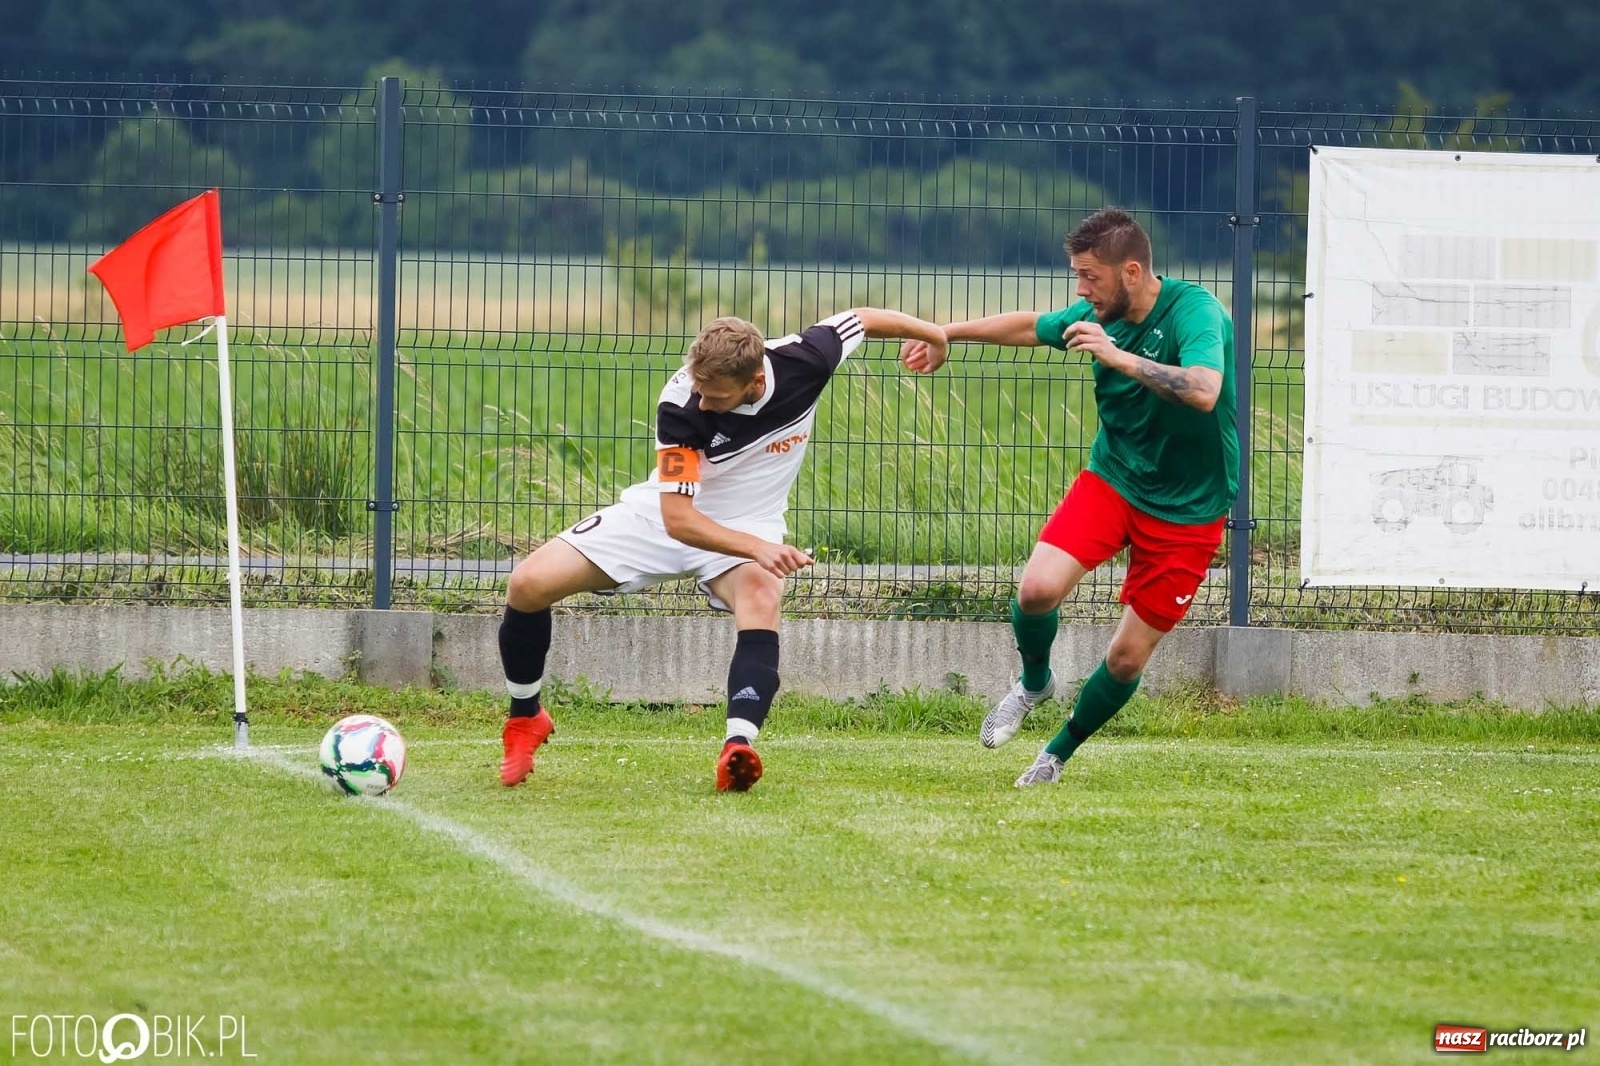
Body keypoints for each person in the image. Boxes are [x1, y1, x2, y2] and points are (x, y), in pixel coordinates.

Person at [498, 308, 949, 791]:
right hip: (665, 515)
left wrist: (936, 337)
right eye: (699, 389)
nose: (703, 402)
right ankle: (526, 718)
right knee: (527, 584)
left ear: (755, 382)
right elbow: (680, 519)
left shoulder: (808, 358)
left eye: (716, 397)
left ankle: (739, 746)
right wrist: (757, 548)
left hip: (749, 521)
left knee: (761, 597)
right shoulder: (680, 404)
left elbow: (862, 318)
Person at [901, 207, 1239, 787]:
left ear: (1131, 271)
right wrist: (944, 336)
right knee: (1036, 590)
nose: (1081, 291)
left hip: (1190, 509)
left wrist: (1116, 356)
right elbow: (1032, 326)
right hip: (1114, 480)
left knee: (1127, 658)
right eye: (1078, 276)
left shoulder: (1195, 311)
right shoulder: (1093, 313)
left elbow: (1205, 391)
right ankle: (1035, 681)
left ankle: (1056, 753)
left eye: (1091, 277)